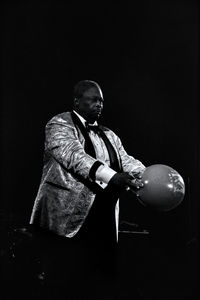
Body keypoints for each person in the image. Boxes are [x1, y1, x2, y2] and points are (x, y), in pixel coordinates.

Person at [29, 80, 146, 299]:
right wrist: (115, 177)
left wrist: (147, 175)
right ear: (77, 101)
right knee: (64, 282)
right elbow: (75, 157)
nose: (99, 104)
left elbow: (125, 160)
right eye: (93, 99)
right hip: (64, 221)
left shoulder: (109, 134)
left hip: (103, 220)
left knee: (99, 282)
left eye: (101, 101)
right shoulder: (59, 123)